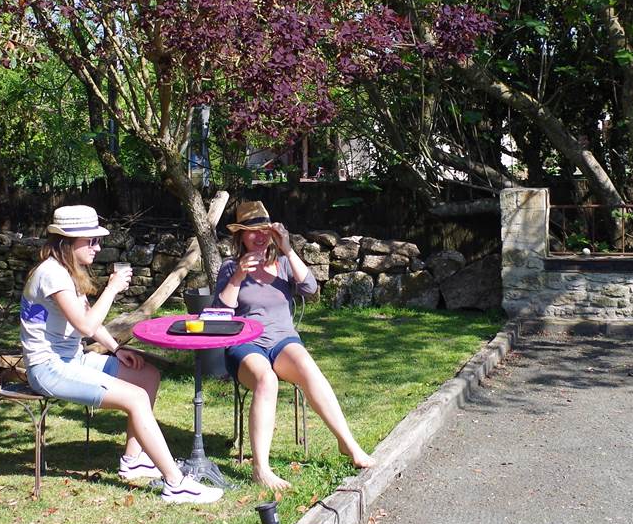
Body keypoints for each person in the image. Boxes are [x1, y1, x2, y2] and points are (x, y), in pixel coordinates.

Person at [21, 204, 220, 504]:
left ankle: (134, 460)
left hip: (71, 360)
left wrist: (117, 349)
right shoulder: (52, 275)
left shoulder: (65, 271)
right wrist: (112, 289)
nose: (98, 247)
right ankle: (176, 484)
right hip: (49, 368)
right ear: (67, 241)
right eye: (91, 241)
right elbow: (86, 326)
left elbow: (88, 318)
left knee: (148, 376)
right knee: (136, 398)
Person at [212, 199, 375, 490]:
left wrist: (287, 248)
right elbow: (219, 314)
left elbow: (311, 289)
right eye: (251, 231)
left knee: (308, 367)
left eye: (264, 229)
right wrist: (238, 276)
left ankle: (348, 444)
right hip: (245, 344)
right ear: (240, 236)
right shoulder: (229, 267)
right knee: (266, 379)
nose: (259, 236)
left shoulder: (285, 262)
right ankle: (261, 468)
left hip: (283, 341)